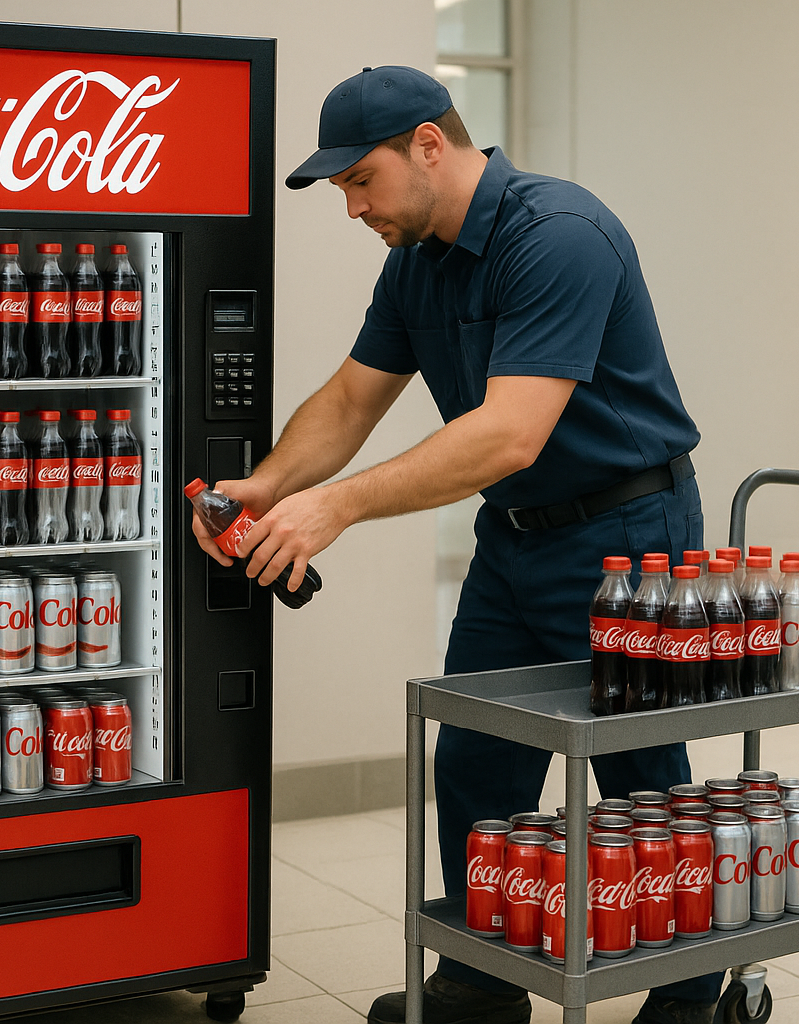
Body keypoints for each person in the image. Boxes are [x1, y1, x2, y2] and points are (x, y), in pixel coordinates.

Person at [190, 65, 723, 1024]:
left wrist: (337, 509)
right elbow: (355, 395)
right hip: (515, 536)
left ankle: (690, 990)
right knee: (478, 758)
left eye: (361, 181)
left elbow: (507, 432)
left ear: (428, 145)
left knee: (636, 765)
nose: (352, 208)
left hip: (627, 532)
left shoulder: (558, 237)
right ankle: (484, 982)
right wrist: (267, 487)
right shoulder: (417, 259)